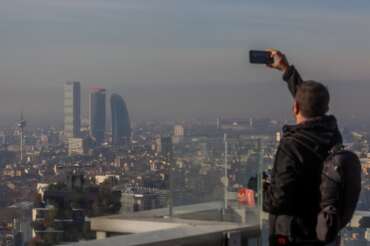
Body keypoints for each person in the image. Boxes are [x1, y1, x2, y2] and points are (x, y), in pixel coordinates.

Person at [263, 49, 343, 245]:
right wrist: (287, 70)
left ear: (295, 108)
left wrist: (259, 192)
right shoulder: (332, 135)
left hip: (293, 234)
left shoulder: (292, 145)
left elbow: (278, 200)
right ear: (326, 108)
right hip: (323, 232)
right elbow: (311, 101)